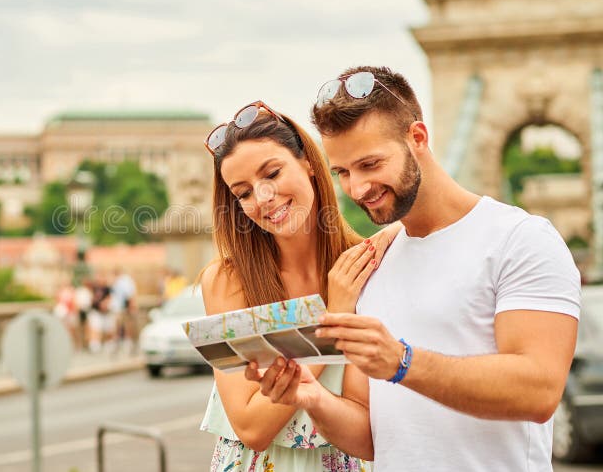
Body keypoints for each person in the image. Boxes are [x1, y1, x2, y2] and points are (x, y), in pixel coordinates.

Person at [248, 66, 582, 471]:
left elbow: (539, 392)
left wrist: (402, 362)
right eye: (343, 173)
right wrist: (310, 396)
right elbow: (369, 438)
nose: (356, 189)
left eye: (370, 164)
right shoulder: (373, 262)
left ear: (418, 138)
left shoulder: (521, 239)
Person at [200, 100, 399, 472]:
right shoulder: (227, 281)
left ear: (308, 162)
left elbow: (365, 423)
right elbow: (251, 427)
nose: (262, 198)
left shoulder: (369, 268)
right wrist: (333, 318)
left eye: (272, 173)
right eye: (242, 192)